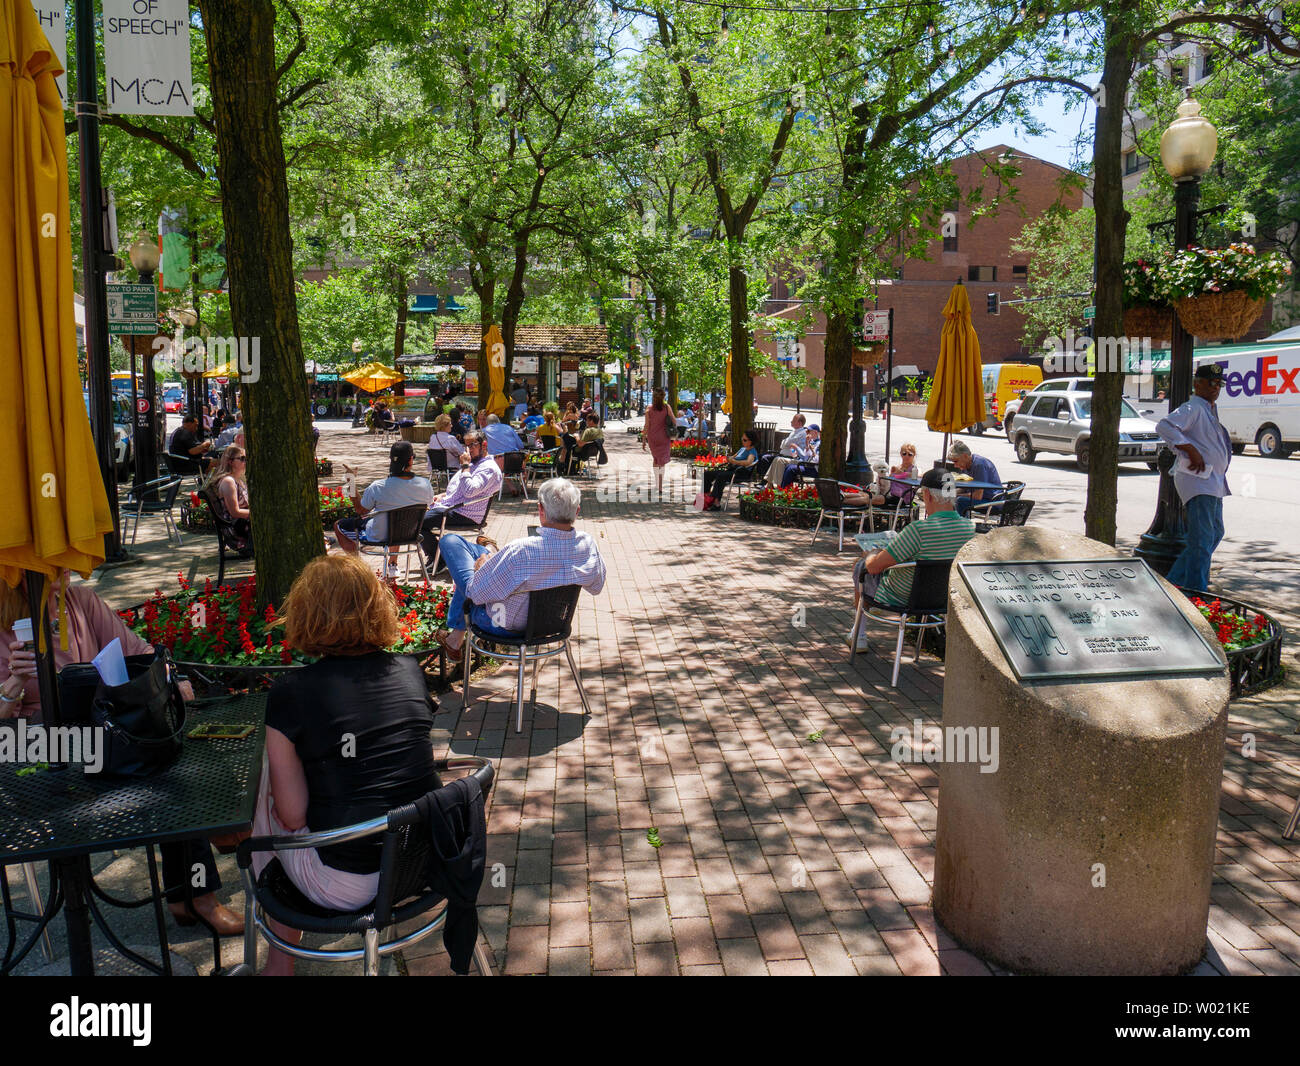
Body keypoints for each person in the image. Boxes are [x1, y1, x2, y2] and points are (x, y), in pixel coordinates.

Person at [0, 576, 242, 936]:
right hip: (31, 747)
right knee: (152, 765)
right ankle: (200, 884)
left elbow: (137, 651)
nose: (65, 571)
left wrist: (168, 679)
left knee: (165, 749)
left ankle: (201, 868)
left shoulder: (78, 601)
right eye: (53, 565)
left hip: (97, 727)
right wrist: (13, 687)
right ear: (22, 571)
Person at [254, 554, 441, 975]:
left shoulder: (291, 692)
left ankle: (279, 961)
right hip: (425, 861)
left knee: (265, 787)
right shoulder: (411, 670)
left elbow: (291, 815)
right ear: (377, 605)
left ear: (304, 611)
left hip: (346, 884)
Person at [434, 479, 606, 662]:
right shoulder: (587, 544)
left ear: (541, 510)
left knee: (450, 542)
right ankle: (489, 553)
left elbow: (475, 594)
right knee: (483, 557)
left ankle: (489, 556)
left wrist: (481, 570)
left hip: (502, 625)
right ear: (577, 511)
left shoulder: (522, 550)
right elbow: (597, 586)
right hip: (554, 624)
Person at [851, 467, 975, 649]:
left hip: (903, 597)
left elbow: (874, 568)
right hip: (945, 598)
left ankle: (859, 633)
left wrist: (871, 554)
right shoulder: (970, 528)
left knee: (860, 567)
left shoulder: (918, 530)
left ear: (928, 496)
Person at [1157, 363, 1232, 592]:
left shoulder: (1208, 409)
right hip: (1200, 481)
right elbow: (1165, 426)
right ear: (1197, 384)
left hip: (1213, 482)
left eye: (1219, 384)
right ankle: (1195, 592)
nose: (1216, 388)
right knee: (1202, 539)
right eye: (1211, 383)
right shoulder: (1194, 407)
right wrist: (1190, 449)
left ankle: (1172, 582)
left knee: (1214, 533)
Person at [335, 442, 434, 577]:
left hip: (379, 535)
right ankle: (392, 565)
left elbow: (360, 509)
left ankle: (357, 568)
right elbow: (428, 503)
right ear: (411, 460)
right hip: (410, 533)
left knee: (338, 525)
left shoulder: (378, 486)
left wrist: (351, 482)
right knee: (398, 518)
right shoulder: (425, 484)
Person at [420, 429, 502, 567]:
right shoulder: (474, 464)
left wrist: (464, 466)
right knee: (415, 516)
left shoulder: (488, 468)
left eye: (472, 445)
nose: (468, 450)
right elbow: (460, 490)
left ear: (484, 445)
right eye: (466, 446)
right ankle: (438, 557)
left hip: (465, 513)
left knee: (417, 523)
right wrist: (442, 496)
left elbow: (470, 491)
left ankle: (438, 559)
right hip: (453, 508)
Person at [204, 445, 252, 551]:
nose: (246, 461)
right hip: (238, 530)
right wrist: (257, 514)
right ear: (230, 462)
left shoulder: (237, 479)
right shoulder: (228, 481)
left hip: (242, 524)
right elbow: (235, 512)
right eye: (242, 458)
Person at [701, 430, 759, 509]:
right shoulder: (742, 449)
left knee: (721, 476)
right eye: (742, 439)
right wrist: (729, 458)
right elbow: (733, 457)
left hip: (741, 473)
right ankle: (706, 497)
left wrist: (735, 461)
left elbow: (748, 462)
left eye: (745, 440)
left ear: (751, 441)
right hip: (732, 470)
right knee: (707, 474)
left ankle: (716, 502)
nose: (742, 441)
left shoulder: (752, 452)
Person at [946, 439, 1002, 518]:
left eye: (956, 461)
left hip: (992, 502)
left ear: (965, 456)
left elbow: (977, 496)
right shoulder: (966, 464)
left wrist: (955, 495)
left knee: (960, 501)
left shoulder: (979, 465)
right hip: (983, 499)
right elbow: (965, 488)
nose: (955, 466)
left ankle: (960, 525)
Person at [642, 387, 676, 498]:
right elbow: (674, 421)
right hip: (664, 437)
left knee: (656, 459)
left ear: (653, 397)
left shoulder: (649, 409)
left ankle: (657, 483)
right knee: (661, 461)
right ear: (663, 397)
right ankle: (660, 486)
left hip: (653, 437)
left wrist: (643, 439)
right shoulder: (667, 407)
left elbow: (646, 426)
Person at [766, 413, 809, 487]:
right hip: (787, 456)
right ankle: (769, 484)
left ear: (799, 423)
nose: (791, 421)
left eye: (793, 420)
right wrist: (786, 444)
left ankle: (778, 485)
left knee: (779, 460)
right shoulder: (793, 432)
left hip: (796, 458)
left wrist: (786, 444)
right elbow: (782, 445)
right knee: (775, 459)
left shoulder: (802, 433)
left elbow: (788, 443)